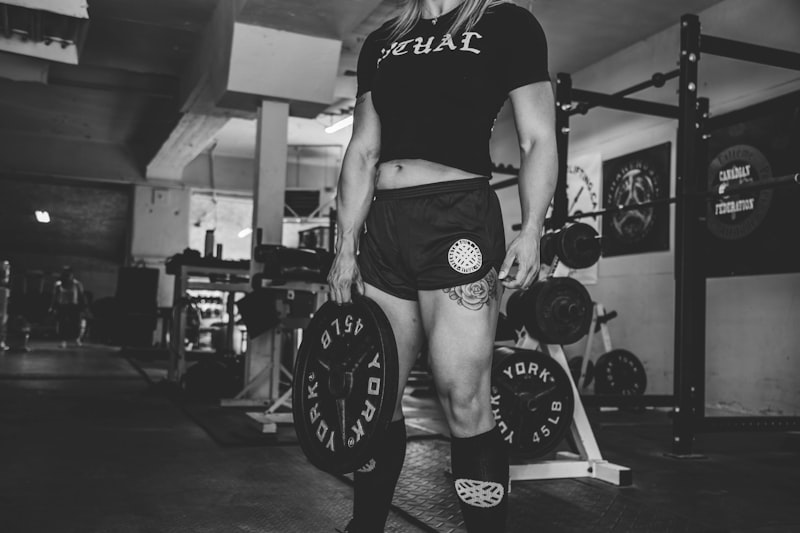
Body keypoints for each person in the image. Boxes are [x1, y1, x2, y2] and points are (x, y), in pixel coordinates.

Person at [327, 0, 557, 531]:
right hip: (384, 228)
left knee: (463, 396)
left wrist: (533, 229)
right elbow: (362, 150)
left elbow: (537, 138)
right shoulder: (382, 40)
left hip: (457, 221)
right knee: (377, 395)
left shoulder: (506, 24)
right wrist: (345, 246)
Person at [50, 266, 86, 348]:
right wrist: (52, 307)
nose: (67, 275)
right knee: (62, 323)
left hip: (74, 306)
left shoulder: (77, 284)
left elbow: (81, 296)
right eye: (65, 274)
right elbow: (54, 296)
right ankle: (63, 340)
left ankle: (77, 339)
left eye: (69, 274)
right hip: (62, 306)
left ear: (72, 274)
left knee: (76, 323)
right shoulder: (58, 284)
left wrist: (83, 308)